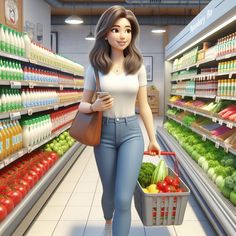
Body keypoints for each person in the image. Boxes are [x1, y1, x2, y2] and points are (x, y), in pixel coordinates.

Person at [79, 5, 161, 236]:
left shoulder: (137, 67)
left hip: (131, 133)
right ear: (105, 33)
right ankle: (107, 217)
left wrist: (152, 139)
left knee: (124, 198)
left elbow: (143, 105)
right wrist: (94, 106)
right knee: (110, 192)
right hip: (102, 134)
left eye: (127, 30)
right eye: (116, 29)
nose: (122, 35)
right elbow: (81, 105)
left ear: (132, 34)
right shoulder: (95, 67)